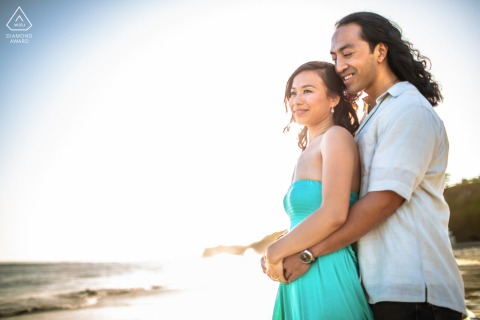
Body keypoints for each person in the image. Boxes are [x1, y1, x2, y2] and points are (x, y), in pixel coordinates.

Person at [280, 12, 467, 320]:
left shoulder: (408, 109)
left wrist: (308, 252)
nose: (340, 65)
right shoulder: (371, 119)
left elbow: (383, 201)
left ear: (380, 52)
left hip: (416, 295)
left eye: (348, 53)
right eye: (335, 56)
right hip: (380, 290)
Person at [262, 61, 373, 319]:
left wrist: (273, 252)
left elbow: (334, 213)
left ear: (334, 98)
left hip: (327, 270)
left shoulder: (336, 137)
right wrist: (276, 253)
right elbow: (304, 220)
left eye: (308, 91)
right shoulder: (306, 152)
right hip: (298, 277)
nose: (296, 100)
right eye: (293, 92)